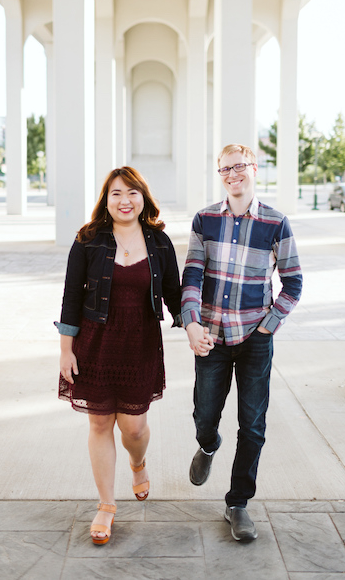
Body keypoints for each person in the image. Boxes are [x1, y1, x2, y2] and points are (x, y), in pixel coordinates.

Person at [55, 167, 182, 545]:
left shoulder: (159, 241)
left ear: (143, 198)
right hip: (94, 343)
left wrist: (194, 325)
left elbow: (174, 293)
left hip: (140, 344)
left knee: (134, 428)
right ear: (105, 199)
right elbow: (71, 297)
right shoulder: (89, 239)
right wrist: (66, 350)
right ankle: (106, 505)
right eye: (115, 193)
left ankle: (138, 463)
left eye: (132, 192)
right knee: (98, 424)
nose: (124, 200)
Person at [182, 144, 302, 542]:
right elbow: (193, 276)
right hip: (212, 338)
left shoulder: (276, 223)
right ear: (219, 174)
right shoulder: (205, 220)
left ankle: (238, 503)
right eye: (224, 169)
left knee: (252, 425)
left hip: (255, 338)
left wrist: (270, 324)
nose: (233, 174)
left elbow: (293, 281)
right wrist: (192, 322)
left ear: (254, 169)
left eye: (239, 167)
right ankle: (208, 445)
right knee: (204, 415)